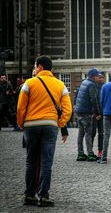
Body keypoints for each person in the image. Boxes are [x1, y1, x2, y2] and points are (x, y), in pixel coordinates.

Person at [17, 55, 72, 207]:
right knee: (46, 162)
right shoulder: (60, 85)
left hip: (31, 125)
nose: (34, 69)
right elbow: (68, 109)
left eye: (35, 66)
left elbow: (21, 107)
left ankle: (29, 195)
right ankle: (44, 196)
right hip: (49, 125)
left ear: (40, 67)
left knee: (30, 162)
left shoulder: (29, 83)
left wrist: (22, 123)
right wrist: (59, 123)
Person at [75, 68, 103, 161]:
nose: (98, 77)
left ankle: (80, 154)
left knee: (81, 133)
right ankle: (90, 154)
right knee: (88, 133)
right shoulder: (92, 84)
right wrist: (98, 112)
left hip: (79, 111)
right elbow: (93, 99)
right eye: (97, 76)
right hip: (86, 112)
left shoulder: (84, 82)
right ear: (94, 76)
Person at [92, 71, 105, 158]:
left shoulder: (105, 87)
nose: (101, 79)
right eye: (99, 77)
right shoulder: (93, 87)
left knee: (101, 133)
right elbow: (93, 100)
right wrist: (96, 113)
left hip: (102, 114)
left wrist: (101, 113)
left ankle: (100, 151)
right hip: (94, 114)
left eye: (102, 77)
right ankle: (90, 150)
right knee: (92, 132)